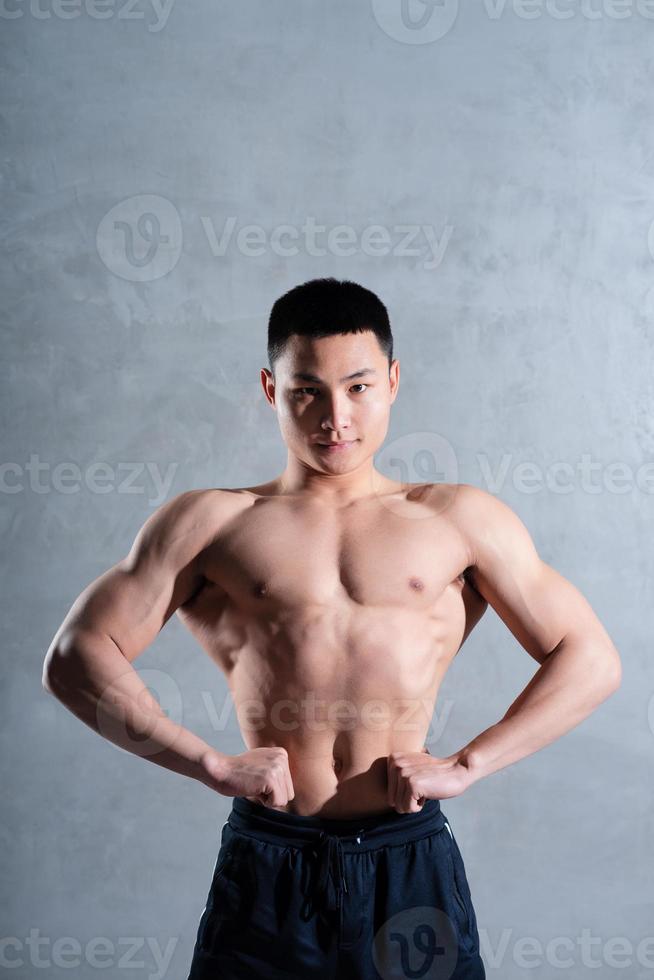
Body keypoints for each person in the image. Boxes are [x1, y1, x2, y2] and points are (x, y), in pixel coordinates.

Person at [42, 277, 622, 980]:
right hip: (270, 858)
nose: (335, 417)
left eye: (358, 387)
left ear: (393, 381)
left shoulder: (457, 519)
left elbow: (589, 658)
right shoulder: (212, 523)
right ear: (269, 388)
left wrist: (471, 764)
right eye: (306, 390)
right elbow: (76, 656)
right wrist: (208, 764)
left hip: (407, 861)